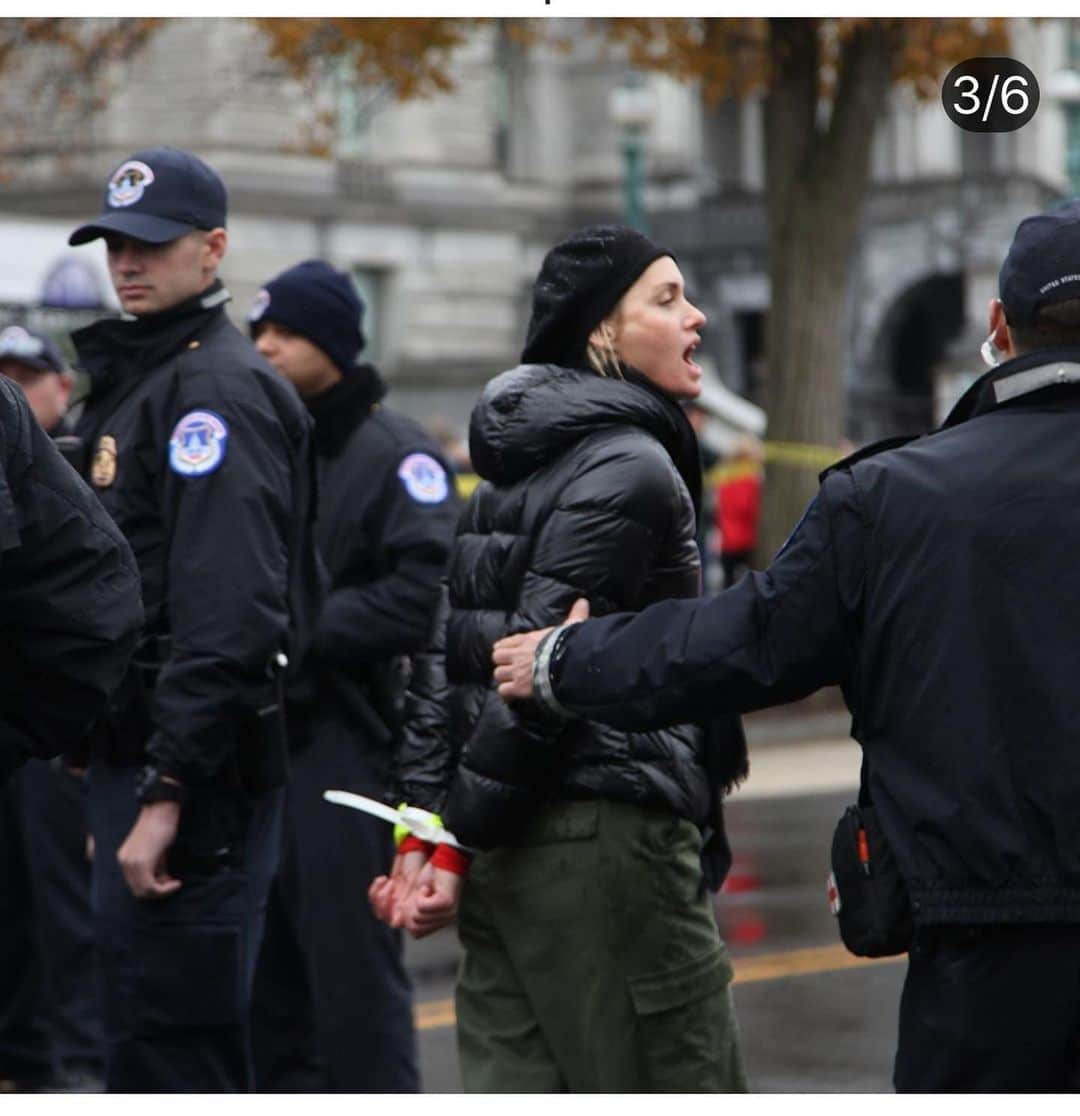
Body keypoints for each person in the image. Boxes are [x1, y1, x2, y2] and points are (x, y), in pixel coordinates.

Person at [493, 201, 1080, 1093]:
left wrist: (565, 661)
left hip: (984, 946)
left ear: (999, 327)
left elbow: (744, 641)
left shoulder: (892, 498)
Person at [377, 225, 749, 1093]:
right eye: (666, 299)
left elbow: (441, 661)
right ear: (601, 334)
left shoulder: (508, 467)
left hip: (511, 850)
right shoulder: (629, 466)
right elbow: (526, 680)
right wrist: (449, 842)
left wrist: (426, 830)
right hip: (603, 841)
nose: (695, 318)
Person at [66, 146, 322, 1093]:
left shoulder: (209, 391)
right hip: (147, 760)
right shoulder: (152, 377)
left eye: (150, 244)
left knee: (177, 1056)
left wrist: (165, 789)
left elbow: (228, 614)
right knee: (145, 1035)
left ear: (211, 250)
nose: (127, 262)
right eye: (114, 244)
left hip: (192, 777)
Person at [247, 260, 457, 1092]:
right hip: (263, 741)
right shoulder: (266, 440)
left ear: (333, 342)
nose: (264, 346)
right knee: (268, 982)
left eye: (285, 333)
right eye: (258, 331)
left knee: (351, 981)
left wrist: (291, 635)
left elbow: (424, 593)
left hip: (346, 743)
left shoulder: (395, 452)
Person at [0, 325, 106, 1093]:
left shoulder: (87, 461)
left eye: (26, 376)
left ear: (60, 387)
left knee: (60, 902)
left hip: (54, 725)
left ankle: (65, 1060)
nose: (17, 388)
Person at [715, 435, 763, 588]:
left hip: (727, 541)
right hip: (745, 541)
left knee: (727, 585)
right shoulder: (749, 482)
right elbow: (749, 509)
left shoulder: (725, 479)